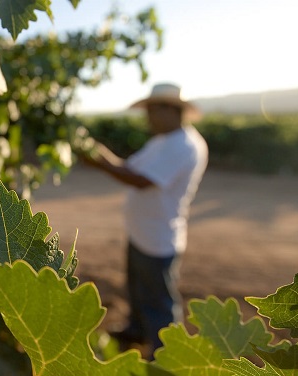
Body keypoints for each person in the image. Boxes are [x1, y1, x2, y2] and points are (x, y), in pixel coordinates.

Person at [83, 83, 208, 356]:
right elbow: (131, 167)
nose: (148, 117)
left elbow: (141, 181)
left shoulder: (184, 145)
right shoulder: (163, 140)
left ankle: (166, 354)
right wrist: (102, 157)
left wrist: (100, 162)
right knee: (140, 292)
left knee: (159, 301)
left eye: (152, 111)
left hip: (159, 237)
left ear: (171, 111)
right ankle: (137, 331)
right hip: (143, 232)